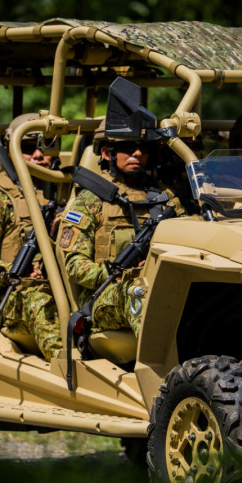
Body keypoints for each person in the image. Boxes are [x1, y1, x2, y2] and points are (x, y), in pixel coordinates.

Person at [57, 134, 183, 339]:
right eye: (128, 147)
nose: (138, 153)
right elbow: (75, 267)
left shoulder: (164, 197)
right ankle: (159, 370)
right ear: (107, 153)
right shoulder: (89, 200)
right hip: (105, 294)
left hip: (160, 284)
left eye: (143, 148)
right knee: (140, 298)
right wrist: (124, 273)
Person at [0, 116, 62, 361]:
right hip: (20, 294)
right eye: (28, 149)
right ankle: (70, 373)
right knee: (42, 304)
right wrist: (15, 272)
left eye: (46, 146)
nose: (39, 155)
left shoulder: (71, 190)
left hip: (66, 286)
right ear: (11, 152)